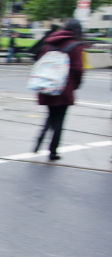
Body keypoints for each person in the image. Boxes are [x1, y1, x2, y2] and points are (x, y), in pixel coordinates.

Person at [33, 19, 84, 161]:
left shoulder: (50, 42)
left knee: (50, 115)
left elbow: (40, 61)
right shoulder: (76, 46)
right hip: (64, 88)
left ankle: (39, 141)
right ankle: (53, 151)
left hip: (47, 86)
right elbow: (78, 69)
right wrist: (75, 86)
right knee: (59, 120)